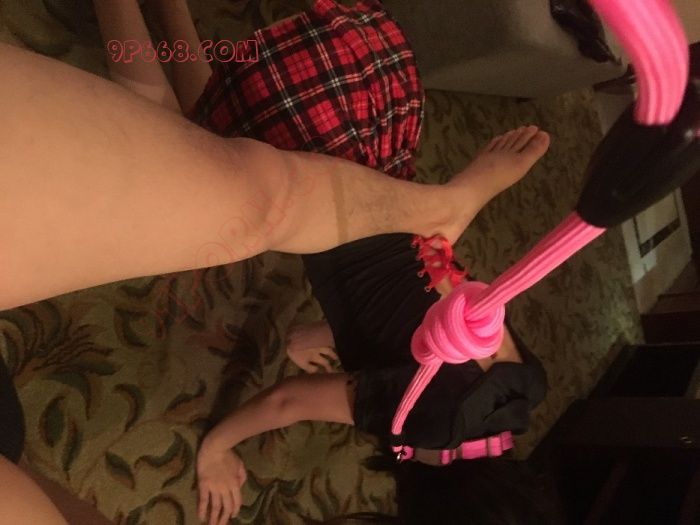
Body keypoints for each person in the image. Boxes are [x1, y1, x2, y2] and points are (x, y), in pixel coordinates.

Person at [175, 1, 559, 524]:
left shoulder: (526, 388)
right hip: (323, 200)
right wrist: (216, 449)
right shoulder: (422, 423)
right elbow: (286, 402)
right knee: (198, 128)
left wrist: (325, 336)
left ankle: (449, 207)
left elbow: (433, 325)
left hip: (387, 178)